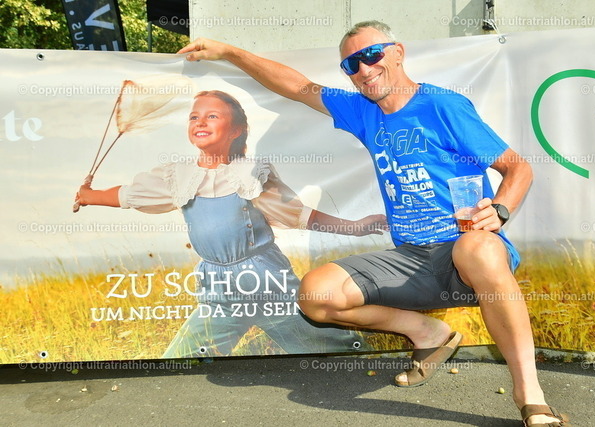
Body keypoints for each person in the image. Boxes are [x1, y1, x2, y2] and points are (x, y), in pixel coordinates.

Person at [177, 21, 567, 427]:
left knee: (477, 246)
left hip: (468, 256)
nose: (364, 69)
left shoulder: (442, 105)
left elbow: (517, 168)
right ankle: (427, 333)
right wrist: (230, 52)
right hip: (412, 259)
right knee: (315, 295)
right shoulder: (364, 111)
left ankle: (531, 397)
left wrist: (499, 210)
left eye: (372, 55)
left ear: (398, 53)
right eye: (351, 64)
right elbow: (297, 87)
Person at [76, 89, 386, 358]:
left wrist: (354, 227)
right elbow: (130, 194)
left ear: (236, 130)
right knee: (186, 353)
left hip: (265, 279)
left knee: (319, 340)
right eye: (194, 117)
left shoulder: (250, 173)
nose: (200, 122)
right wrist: (90, 196)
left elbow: (299, 215)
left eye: (212, 116)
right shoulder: (178, 176)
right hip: (217, 284)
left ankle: (359, 361)